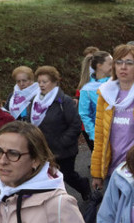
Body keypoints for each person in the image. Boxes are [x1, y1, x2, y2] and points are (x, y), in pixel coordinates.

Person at [91, 44, 134, 190]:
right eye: (119, 62)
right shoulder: (105, 95)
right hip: (113, 172)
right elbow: (100, 138)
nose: (123, 67)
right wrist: (97, 173)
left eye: (129, 63)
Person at [24, 66, 89, 201]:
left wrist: (62, 142)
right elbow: (29, 123)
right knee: (47, 178)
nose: (41, 85)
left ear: (54, 82)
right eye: (39, 82)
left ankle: (84, 187)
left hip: (63, 151)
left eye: (45, 81)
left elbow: (75, 125)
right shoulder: (34, 102)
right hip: (42, 150)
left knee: (67, 176)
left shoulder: (63, 101)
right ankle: (55, 203)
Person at [78, 51, 113, 151]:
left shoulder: (117, 83)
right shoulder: (87, 89)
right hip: (101, 137)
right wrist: (94, 135)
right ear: (99, 66)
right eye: (110, 64)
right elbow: (84, 114)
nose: (114, 66)